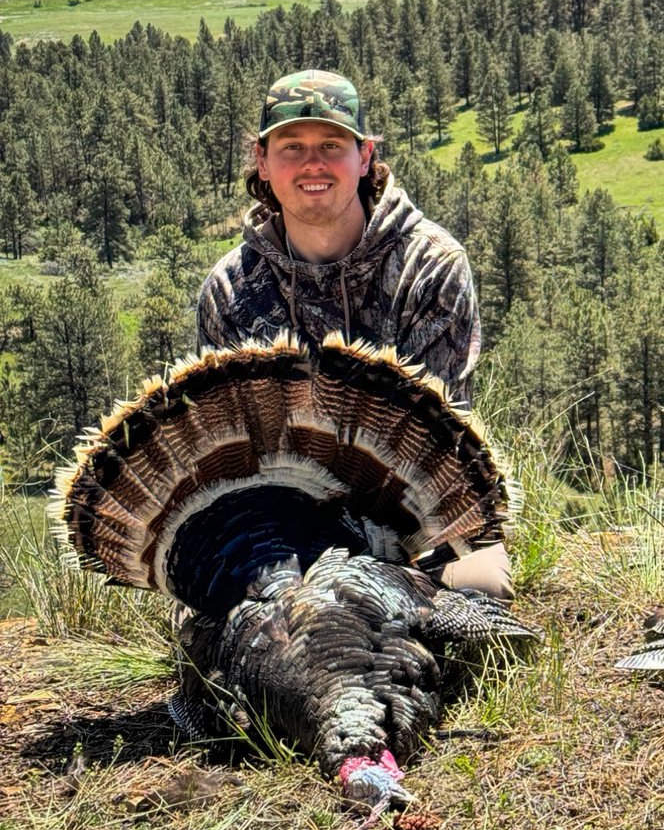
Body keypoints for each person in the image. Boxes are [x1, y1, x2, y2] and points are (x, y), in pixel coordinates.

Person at [197, 69, 512, 600]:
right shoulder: (230, 288)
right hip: (283, 515)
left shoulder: (430, 264)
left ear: (363, 157)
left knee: (479, 593)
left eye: (331, 145)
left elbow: (432, 437)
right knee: (216, 623)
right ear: (263, 161)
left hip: (417, 507)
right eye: (292, 146)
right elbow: (231, 449)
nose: (312, 164)